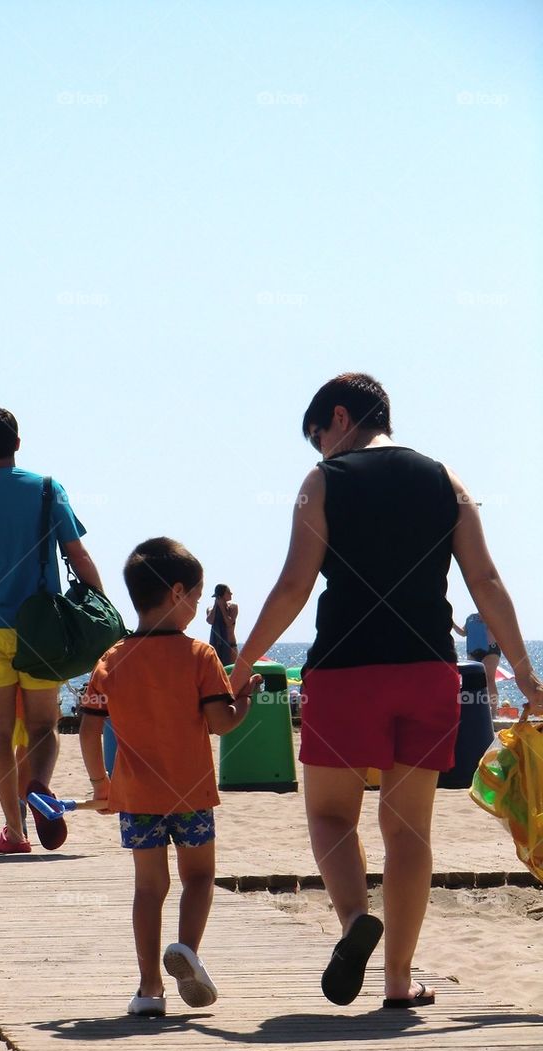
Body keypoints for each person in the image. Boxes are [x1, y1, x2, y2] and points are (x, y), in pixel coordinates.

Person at [230, 372, 543, 1011]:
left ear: (339, 418)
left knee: (330, 815)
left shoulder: (323, 482)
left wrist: (240, 667)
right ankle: (398, 981)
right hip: (429, 671)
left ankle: (353, 923)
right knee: (408, 831)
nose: (319, 451)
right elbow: (484, 578)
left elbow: (293, 586)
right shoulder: (446, 480)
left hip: (345, 671)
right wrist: (528, 678)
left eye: (318, 437)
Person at [80, 538, 259, 1016]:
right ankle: (186, 950)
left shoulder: (111, 659)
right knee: (199, 877)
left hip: (136, 795)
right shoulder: (200, 656)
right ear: (177, 592)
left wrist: (101, 782)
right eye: (196, 600)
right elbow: (220, 723)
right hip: (192, 791)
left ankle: (149, 988)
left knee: (147, 888)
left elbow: (90, 728)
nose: (196, 610)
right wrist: (244, 699)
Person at [0, 407, 105, 853]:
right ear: (17, 442)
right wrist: (101, 609)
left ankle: (14, 831)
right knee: (43, 727)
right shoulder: (47, 489)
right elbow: (79, 555)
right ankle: (37, 787)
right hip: (43, 630)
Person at [453, 613, 501, 716]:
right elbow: (463, 633)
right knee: (471, 680)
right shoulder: (470, 617)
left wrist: (487, 620)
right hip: (473, 652)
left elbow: (500, 631)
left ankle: (493, 710)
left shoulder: (491, 614)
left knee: (489, 679)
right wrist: (451, 623)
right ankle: (473, 708)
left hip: (490, 649)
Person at [206, 584, 238, 666]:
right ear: (222, 595)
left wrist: (222, 608)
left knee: (230, 674)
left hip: (230, 646)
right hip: (216, 646)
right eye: (228, 592)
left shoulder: (233, 607)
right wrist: (216, 605)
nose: (231, 593)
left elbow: (229, 623)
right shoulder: (210, 609)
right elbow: (209, 620)